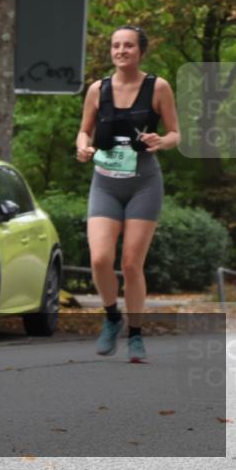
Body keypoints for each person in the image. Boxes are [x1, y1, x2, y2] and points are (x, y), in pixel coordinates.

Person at [75, 25, 180, 363]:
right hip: (105, 183)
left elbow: (175, 133)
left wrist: (162, 141)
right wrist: (82, 148)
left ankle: (135, 334)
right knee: (99, 259)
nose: (121, 51)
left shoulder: (158, 87)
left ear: (140, 51)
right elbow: (84, 131)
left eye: (128, 46)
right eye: (116, 45)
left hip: (143, 183)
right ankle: (111, 317)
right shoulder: (98, 89)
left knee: (132, 264)